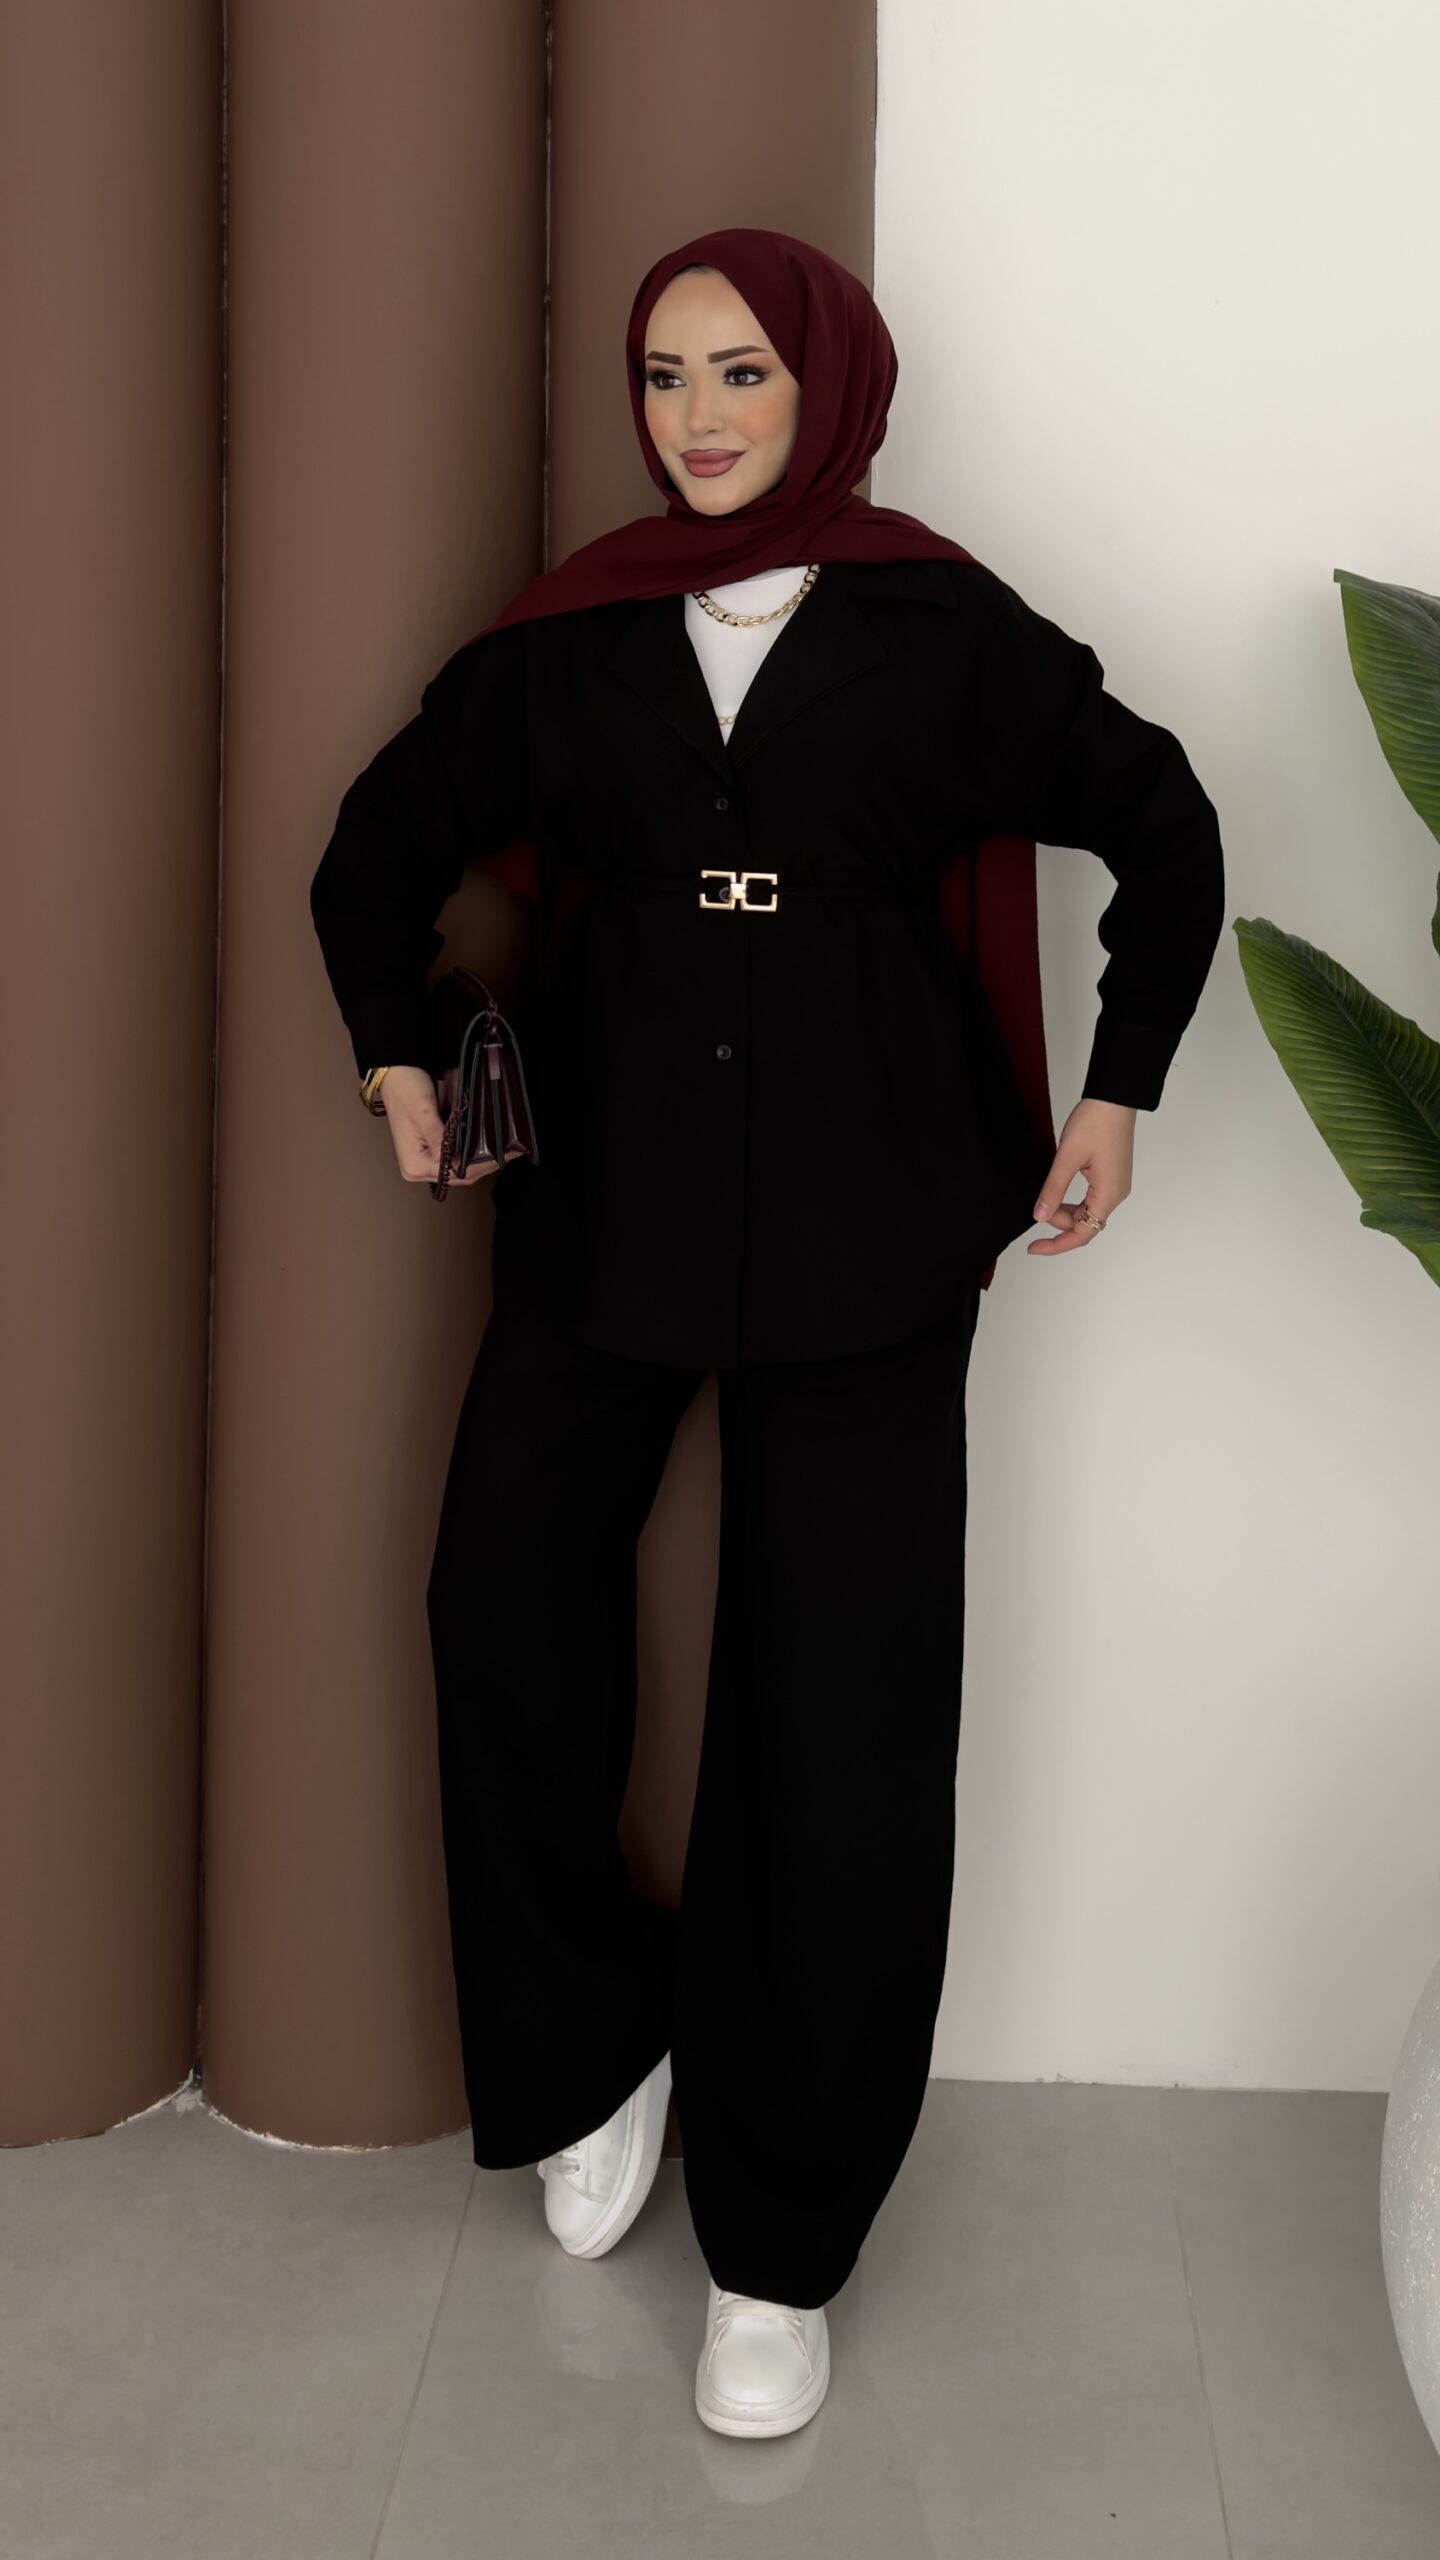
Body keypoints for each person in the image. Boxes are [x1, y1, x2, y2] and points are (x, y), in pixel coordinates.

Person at [309, 225, 1225, 2439]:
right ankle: (591, 2050)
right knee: (499, 1598)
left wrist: (1119, 1088)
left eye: (740, 370)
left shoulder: (939, 626)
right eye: (664, 374)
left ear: (828, 383)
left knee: (839, 1697)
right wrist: (398, 1055)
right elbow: (375, 850)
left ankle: (782, 2234)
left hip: (874, 1215)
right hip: (605, 1199)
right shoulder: (574, 635)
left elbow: (1165, 820)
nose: (699, 414)